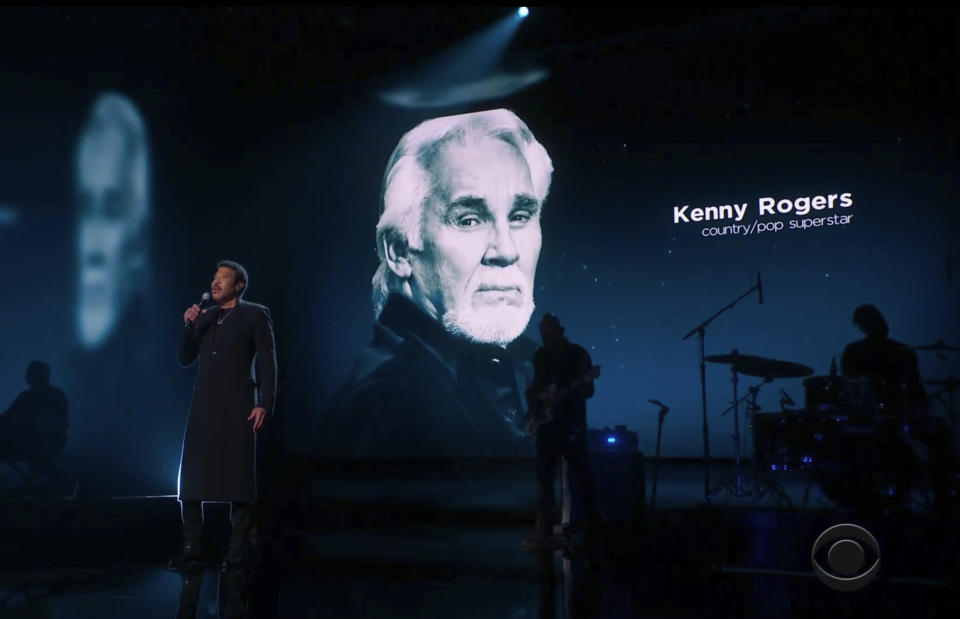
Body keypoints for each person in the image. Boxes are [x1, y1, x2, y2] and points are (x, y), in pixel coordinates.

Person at [317, 108, 553, 458]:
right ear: (399, 250)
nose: (506, 250)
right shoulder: (381, 407)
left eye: (519, 217)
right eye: (470, 220)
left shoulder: (517, 364)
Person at [169, 260, 277, 572]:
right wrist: (188, 326)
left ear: (239, 285)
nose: (215, 283)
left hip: (239, 404)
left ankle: (237, 550)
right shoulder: (205, 317)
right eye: (214, 278)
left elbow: (268, 360)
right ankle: (191, 548)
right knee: (191, 480)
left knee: (238, 479)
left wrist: (265, 402)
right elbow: (184, 359)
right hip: (203, 404)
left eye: (223, 279)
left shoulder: (256, 314)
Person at [840, 304, 956, 513]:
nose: (879, 323)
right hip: (875, 418)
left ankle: (941, 500)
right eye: (872, 320)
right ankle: (939, 500)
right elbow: (854, 390)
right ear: (862, 325)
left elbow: (915, 389)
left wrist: (918, 411)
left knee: (938, 435)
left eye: (878, 318)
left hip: (896, 416)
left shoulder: (899, 351)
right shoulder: (859, 352)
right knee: (932, 438)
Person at [526, 313, 601, 550]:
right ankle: (547, 533)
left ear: (559, 330)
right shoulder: (540, 355)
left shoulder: (578, 355)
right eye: (542, 332)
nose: (545, 336)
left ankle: (591, 531)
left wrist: (571, 391)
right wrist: (537, 406)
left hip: (571, 426)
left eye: (548, 331)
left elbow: (588, 391)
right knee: (548, 483)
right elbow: (536, 387)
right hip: (550, 426)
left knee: (581, 480)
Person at [0, 361, 69, 477]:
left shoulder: (54, 397)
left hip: (41, 446)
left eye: (33, 374)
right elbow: (9, 416)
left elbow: (56, 425)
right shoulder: (26, 397)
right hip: (28, 443)